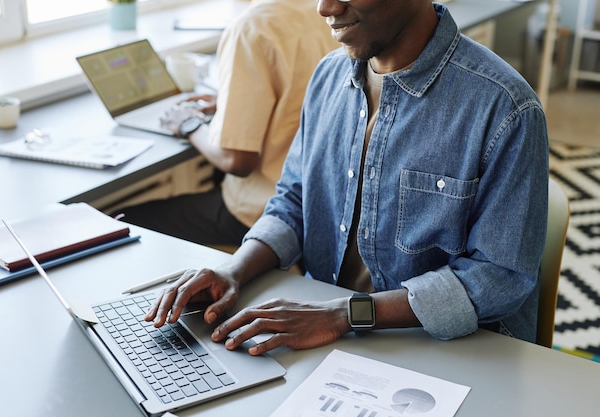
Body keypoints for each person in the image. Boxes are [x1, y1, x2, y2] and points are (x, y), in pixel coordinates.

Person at [146, 0, 549, 355]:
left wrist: (343, 314)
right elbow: (294, 201)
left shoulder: (505, 107)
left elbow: (499, 278)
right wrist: (234, 270)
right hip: (329, 333)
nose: (325, 7)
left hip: (448, 349)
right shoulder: (327, 78)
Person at [115, 0, 338, 246]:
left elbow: (236, 161)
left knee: (119, 220)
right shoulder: (328, 10)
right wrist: (233, 100)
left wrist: (188, 124)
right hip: (325, 203)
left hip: (266, 211)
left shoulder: (252, 26)